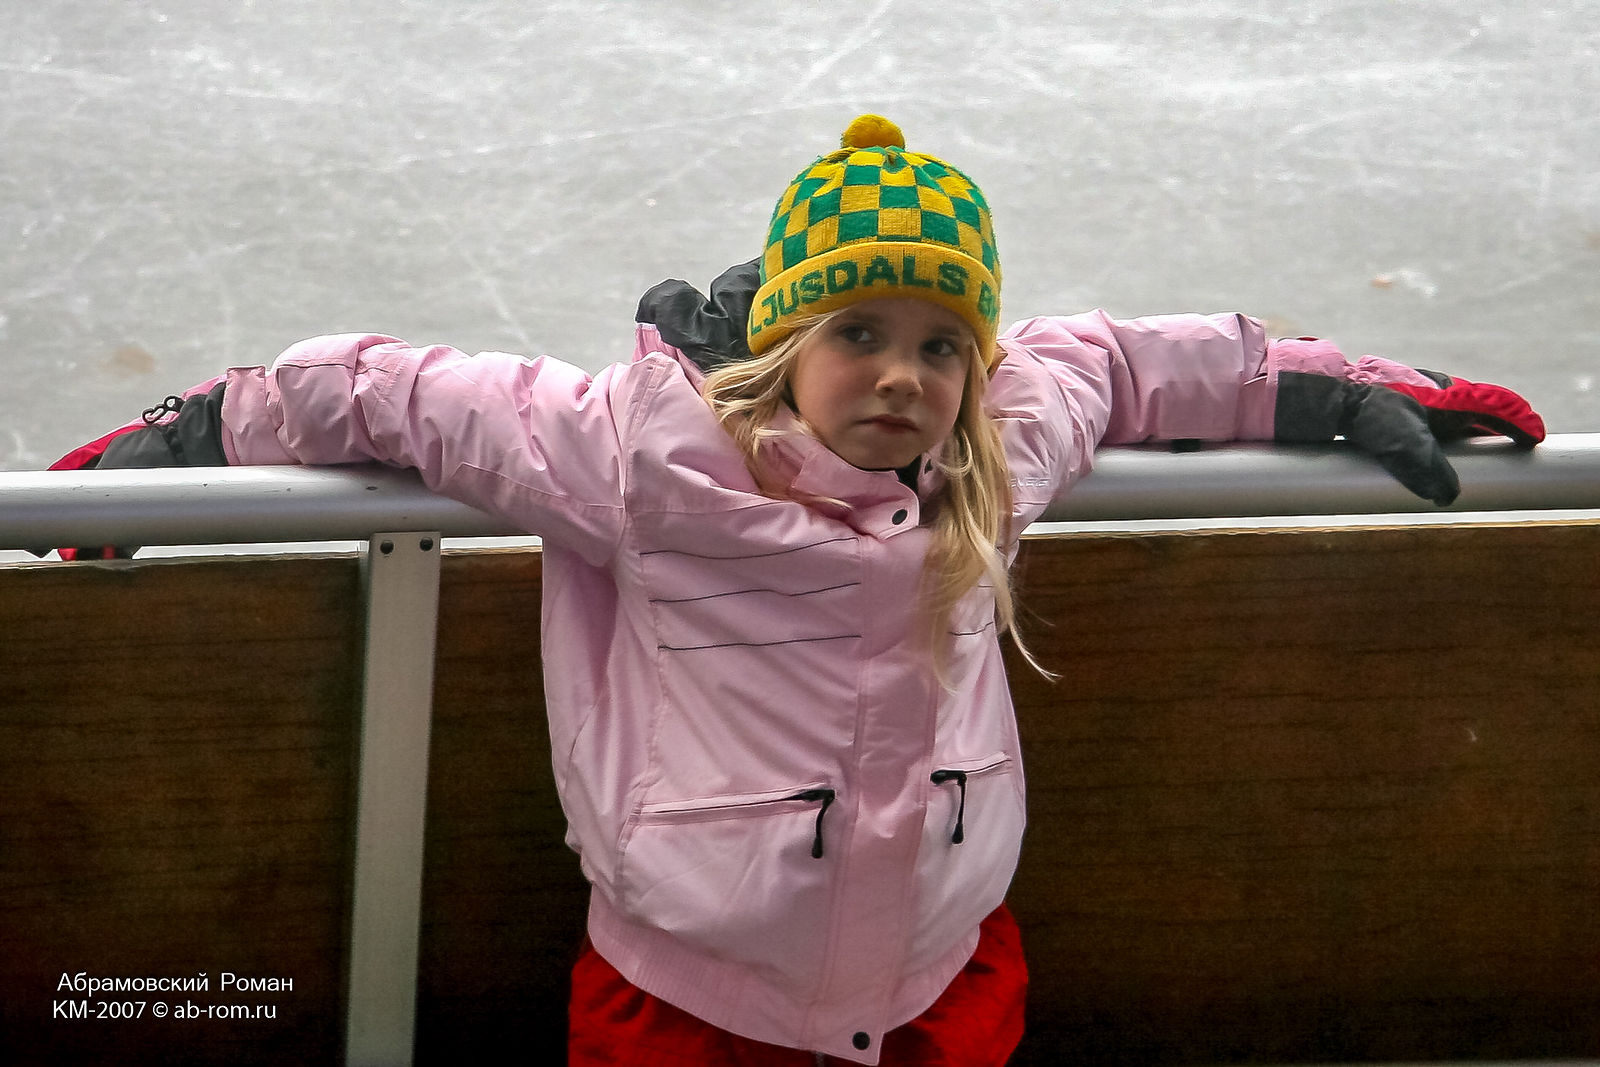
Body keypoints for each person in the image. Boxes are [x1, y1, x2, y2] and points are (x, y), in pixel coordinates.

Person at [52, 115, 1545, 1064]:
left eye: (940, 344)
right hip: (690, 1011)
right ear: (784, 339)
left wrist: (1337, 393)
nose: (903, 375)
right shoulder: (648, 458)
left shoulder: (995, 450)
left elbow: (1126, 361)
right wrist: (187, 443)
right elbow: (394, 394)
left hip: (947, 989)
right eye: (858, 333)